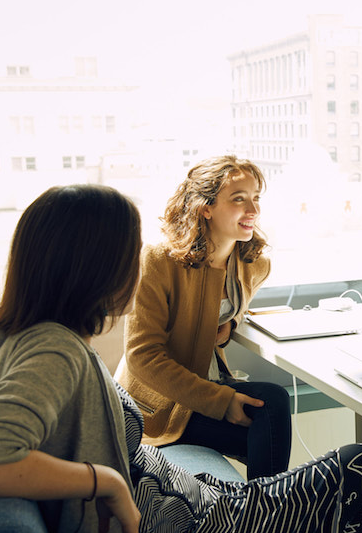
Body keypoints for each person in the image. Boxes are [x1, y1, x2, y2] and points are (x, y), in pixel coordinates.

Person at [0, 184, 362, 533]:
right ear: (95, 267)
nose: (138, 267)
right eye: (130, 252)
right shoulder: (55, 349)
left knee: (289, 427)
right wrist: (108, 483)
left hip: (197, 500)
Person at [116, 156, 291, 480]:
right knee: (271, 408)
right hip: (158, 407)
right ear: (205, 207)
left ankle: (264, 514)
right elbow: (142, 356)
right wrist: (221, 400)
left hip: (204, 387)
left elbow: (233, 308)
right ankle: (269, 514)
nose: (253, 210)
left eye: (255, 198)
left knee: (273, 403)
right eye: (239, 199)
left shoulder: (254, 265)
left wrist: (231, 325)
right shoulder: (157, 261)